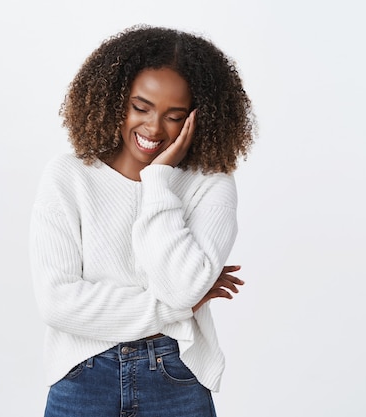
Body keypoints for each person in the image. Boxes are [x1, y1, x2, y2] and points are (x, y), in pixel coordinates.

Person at [29, 24, 255, 417]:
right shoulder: (68, 176)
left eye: (174, 116)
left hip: (175, 375)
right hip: (82, 374)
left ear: (197, 119)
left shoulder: (211, 185)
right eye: (141, 107)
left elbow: (181, 287)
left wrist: (158, 180)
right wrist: (175, 309)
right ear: (116, 99)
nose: (153, 128)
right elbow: (58, 303)